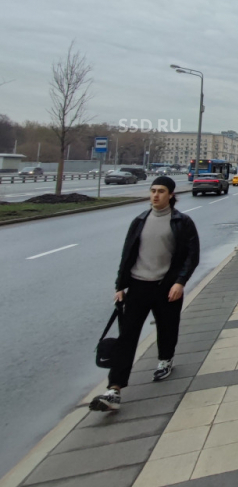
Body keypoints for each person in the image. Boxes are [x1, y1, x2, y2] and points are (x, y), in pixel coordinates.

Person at [90, 176, 200, 412]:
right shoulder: (140, 221)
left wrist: (180, 282)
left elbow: (191, 256)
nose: (155, 195)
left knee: (167, 327)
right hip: (138, 286)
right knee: (127, 337)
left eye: (161, 191)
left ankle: (165, 360)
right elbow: (127, 255)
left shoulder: (182, 222)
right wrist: (120, 286)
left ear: (171, 195)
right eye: (153, 190)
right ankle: (114, 389)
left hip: (166, 286)